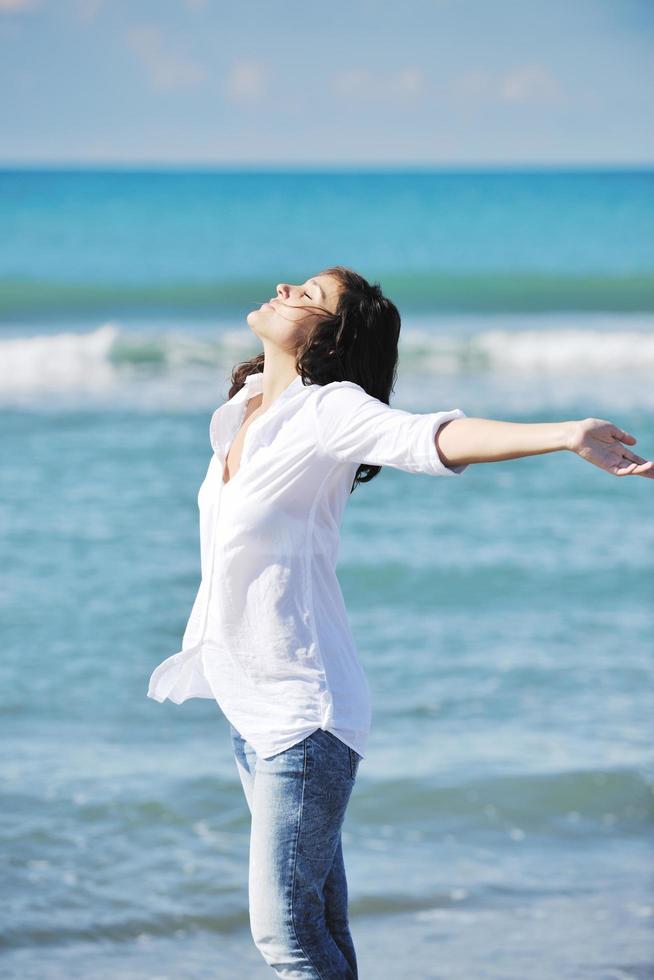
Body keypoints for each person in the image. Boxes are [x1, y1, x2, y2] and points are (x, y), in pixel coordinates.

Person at [147, 265, 653, 979]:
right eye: (297, 283)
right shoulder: (248, 404)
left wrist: (564, 433)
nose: (287, 289)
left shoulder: (329, 409)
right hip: (249, 705)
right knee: (320, 923)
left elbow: (432, 437)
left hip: (304, 713)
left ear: (331, 335)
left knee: (284, 935)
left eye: (310, 296)